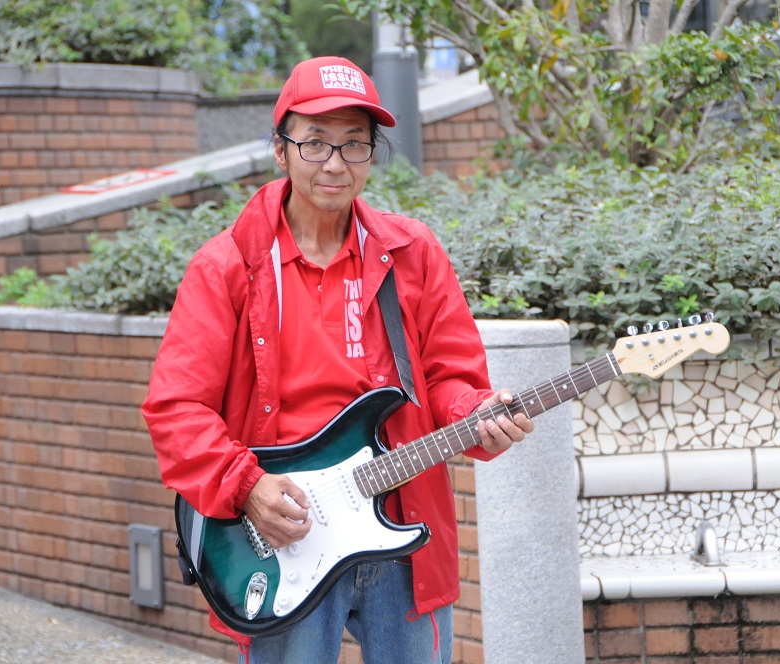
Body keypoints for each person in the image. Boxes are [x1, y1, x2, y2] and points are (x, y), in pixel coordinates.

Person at [141, 56, 534, 664]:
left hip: (405, 525)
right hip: (283, 537)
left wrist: (479, 412)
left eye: (355, 145)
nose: (335, 163)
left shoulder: (412, 252)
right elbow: (175, 408)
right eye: (316, 142)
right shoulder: (226, 267)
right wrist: (247, 488)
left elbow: (451, 377)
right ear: (280, 149)